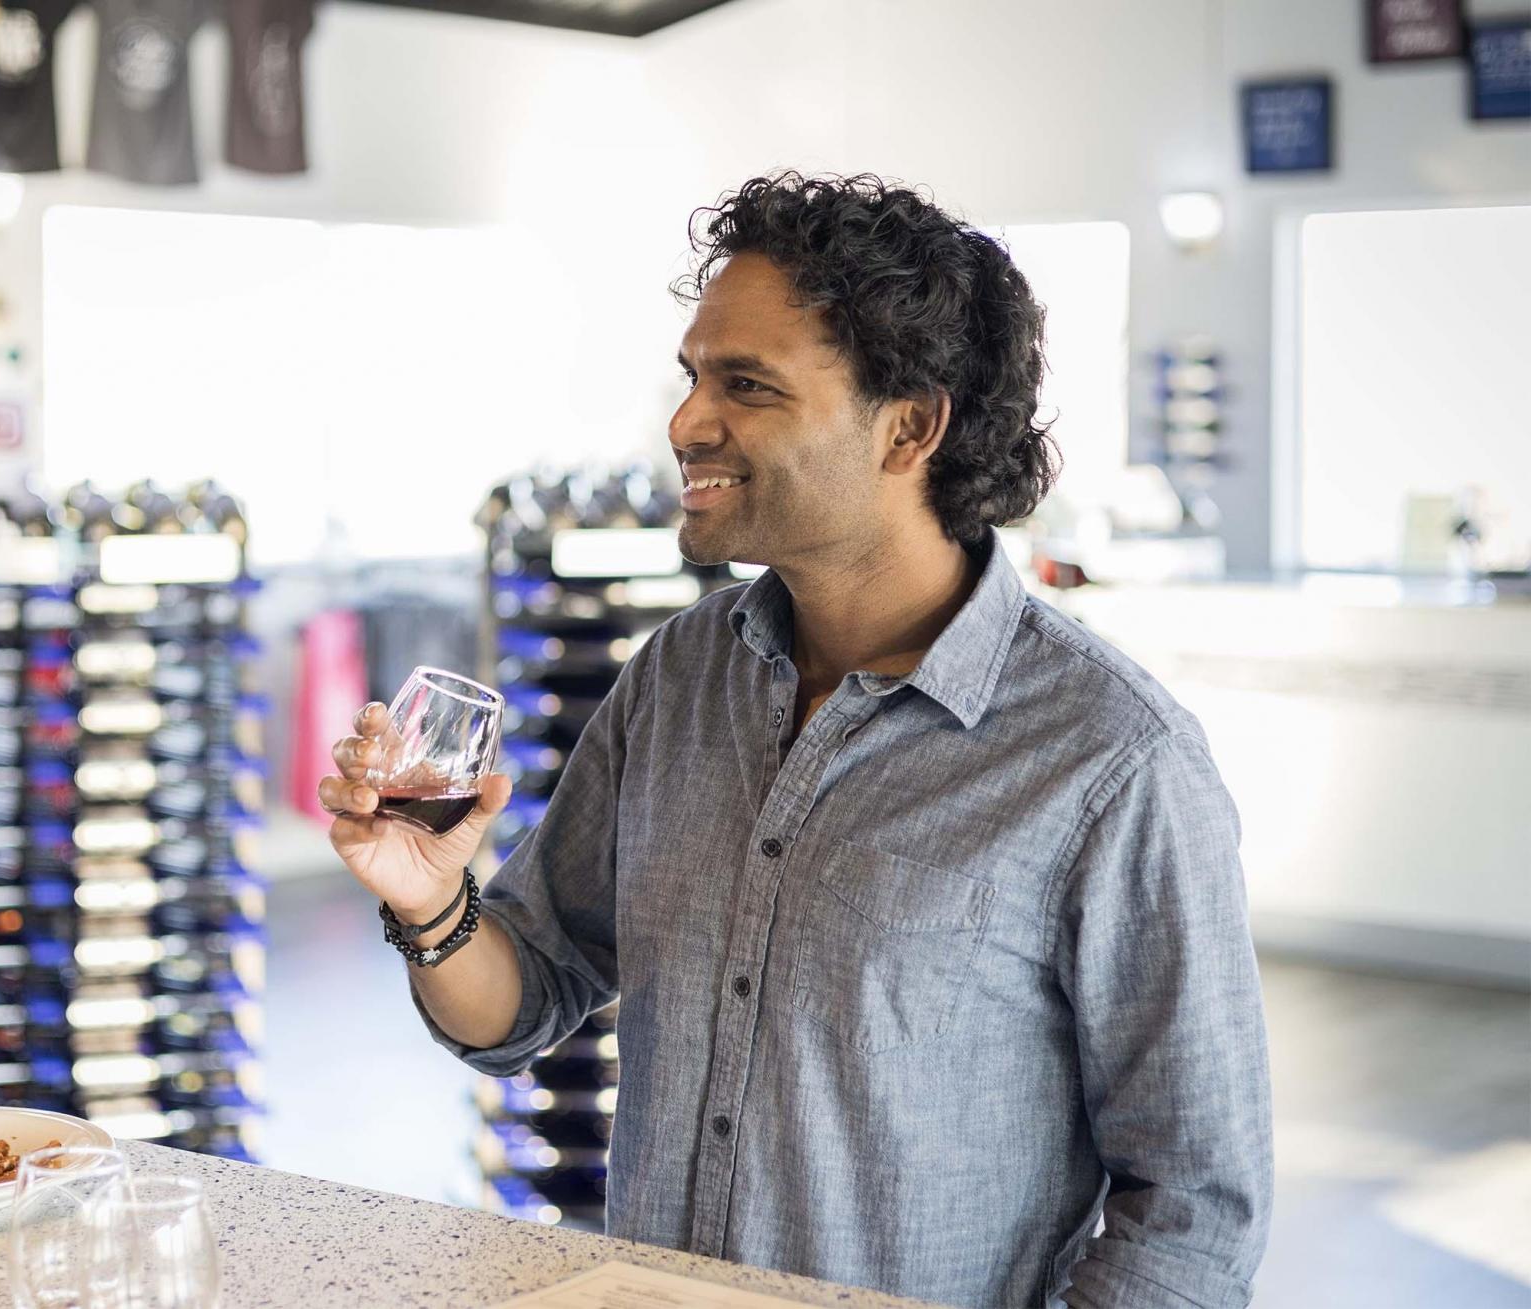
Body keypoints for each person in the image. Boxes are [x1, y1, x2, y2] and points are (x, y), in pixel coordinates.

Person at [319, 173, 1272, 1309]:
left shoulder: (1111, 761)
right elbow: (528, 996)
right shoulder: (680, 676)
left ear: (911, 425)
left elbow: (1196, 1207)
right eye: (692, 377)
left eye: (748, 386)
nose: (686, 424)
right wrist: (430, 901)